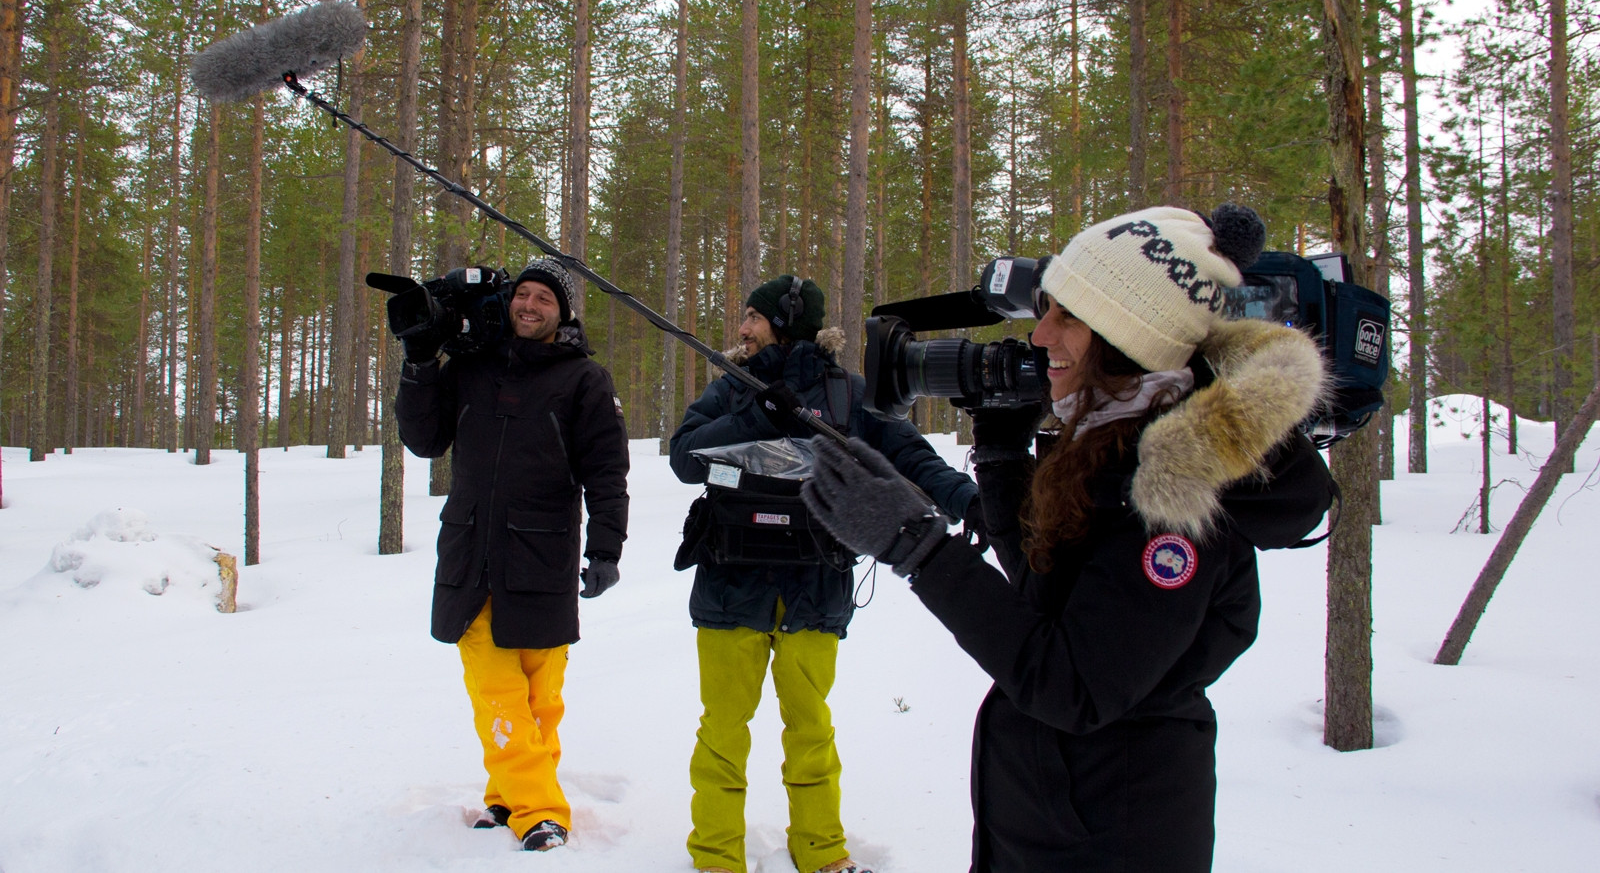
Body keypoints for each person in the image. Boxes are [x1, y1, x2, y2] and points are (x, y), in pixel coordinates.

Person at [801, 205, 1336, 872]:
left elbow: (1073, 686)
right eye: (1045, 309)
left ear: (1129, 339)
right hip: (1049, 813)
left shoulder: (1177, 492)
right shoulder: (1112, 439)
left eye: (1068, 317)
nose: (1040, 335)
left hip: (1113, 835)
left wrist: (916, 546)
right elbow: (1043, 591)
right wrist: (999, 452)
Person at [669, 274, 979, 873]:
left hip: (816, 587)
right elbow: (686, 457)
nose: (742, 329)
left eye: (753, 319)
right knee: (723, 732)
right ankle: (714, 857)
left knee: (810, 730)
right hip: (730, 585)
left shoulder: (848, 394)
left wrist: (968, 500)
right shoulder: (731, 389)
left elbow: (910, 455)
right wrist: (755, 416)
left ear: (783, 325)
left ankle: (821, 852)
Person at [396, 258, 630, 852]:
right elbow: (424, 440)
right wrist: (422, 361)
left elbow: (607, 472)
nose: (529, 305)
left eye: (543, 299)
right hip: (471, 556)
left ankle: (507, 793)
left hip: (544, 557)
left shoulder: (584, 380)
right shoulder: (471, 367)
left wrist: (606, 548)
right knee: (497, 693)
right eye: (522, 294)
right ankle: (539, 810)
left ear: (564, 313)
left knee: (539, 698)